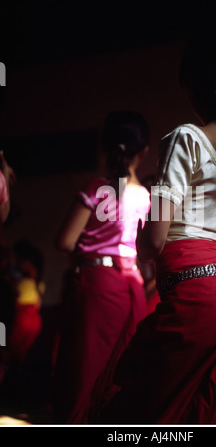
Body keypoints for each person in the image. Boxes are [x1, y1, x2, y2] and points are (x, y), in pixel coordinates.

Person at [99, 28, 216, 425]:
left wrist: (144, 228)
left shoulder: (185, 138)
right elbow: (203, 222)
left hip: (196, 295)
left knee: (135, 415)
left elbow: (156, 239)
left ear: (196, 87)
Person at [53, 111, 150, 424]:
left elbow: (64, 242)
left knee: (84, 368)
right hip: (132, 284)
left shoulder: (96, 187)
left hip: (98, 283)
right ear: (143, 152)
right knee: (123, 370)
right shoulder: (147, 197)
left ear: (105, 147)